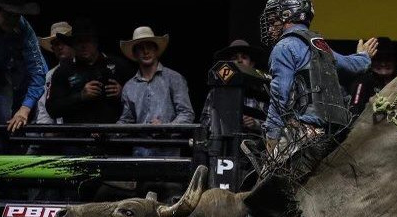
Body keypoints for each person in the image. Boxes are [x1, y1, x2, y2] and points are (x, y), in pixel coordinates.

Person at [243, 0, 377, 217]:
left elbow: (279, 96)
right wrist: (365, 57)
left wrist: (272, 138)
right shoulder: (318, 44)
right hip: (332, 140)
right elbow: (352, 66)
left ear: (287, 18)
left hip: (301, 139)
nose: (270, 25)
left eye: (274, 18)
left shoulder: (285, 48)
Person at [117, 26, 194, 157]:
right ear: (135, 53)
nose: (146, 51)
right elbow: (127, 120)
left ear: (156, 50)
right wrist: (109, 132)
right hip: (139, 153)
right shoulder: (129, 86)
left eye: (149, 47)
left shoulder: (174, 78)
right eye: (140, 48)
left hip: (168, 152)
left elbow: (187, 114)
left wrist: (166, 127)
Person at [46, 19, 133, 125]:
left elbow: (139, 101)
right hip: (77, 137)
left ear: (96, 42)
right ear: (73, 44)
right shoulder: (63, 72)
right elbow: (52, 109)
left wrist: (122, 94)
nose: (83, 45)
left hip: (113, 136)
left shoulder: (119, 65)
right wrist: (80, 96)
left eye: (87, 40)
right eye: (79, 41)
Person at [0, 1, 46, 147]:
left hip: (0, 79)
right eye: (9, 15)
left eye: (17, 16)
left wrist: (25, 109)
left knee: (2, 125)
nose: (13, 20)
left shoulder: (23, 28)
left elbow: (38, 71)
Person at [201, 39, 267, 134]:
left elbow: (274, 124)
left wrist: (255, 124)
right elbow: (204, 121)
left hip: (253, 144)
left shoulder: (262, 90)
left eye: (244, 57)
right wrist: (224, 122)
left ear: (252, 64)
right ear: (227, 64)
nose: (239, 60)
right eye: (234, 58)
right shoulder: (217, 91)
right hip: (224, 144)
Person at [34, 21, 74, 125]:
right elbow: (43, 108)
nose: (60, 47)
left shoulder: (86, 67)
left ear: (72, 44)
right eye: (56, 44)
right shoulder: (50, 75)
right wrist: (46, 131)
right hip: (60, 131)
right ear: (52, 48)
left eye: (63, 42)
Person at [348, 36, 397, 115]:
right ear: (370, 61)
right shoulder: (363, 82)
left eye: (388, 59)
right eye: (378, 59)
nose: (383, 63)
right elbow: (354, 111)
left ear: (395, 62)